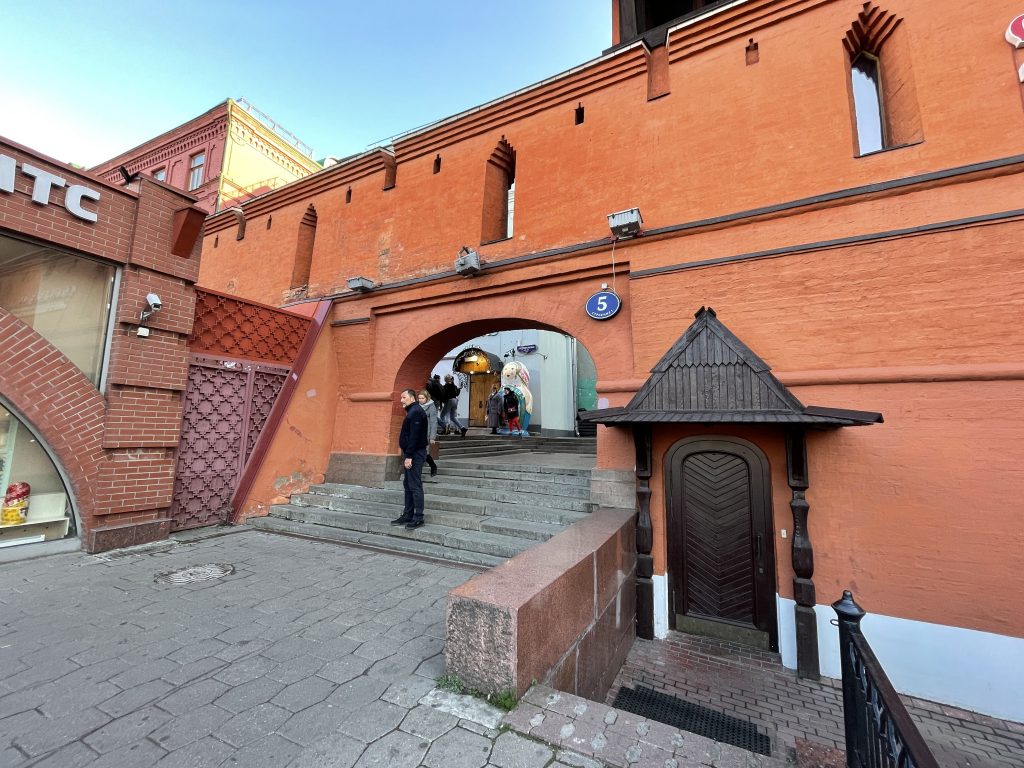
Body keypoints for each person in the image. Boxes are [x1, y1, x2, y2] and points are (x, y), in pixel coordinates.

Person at [391, 388, 428, 529]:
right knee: (408, 485)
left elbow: (414, 436)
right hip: (412, 453)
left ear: (412, 398)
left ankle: (418, 517)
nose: (401, 400)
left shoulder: (416, 412)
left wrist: (409, 456)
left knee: (414, 485)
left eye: (404, 397)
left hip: (415, 454)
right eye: (401, 398)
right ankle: (408, 514)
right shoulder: (413, 411)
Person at [418, 390, 439, 477]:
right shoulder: (417, 406)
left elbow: (434, 422)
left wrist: (432, 437)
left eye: (422, 398)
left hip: (426, 433)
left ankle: (433, 466)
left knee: (424, 452)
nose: (420, 400)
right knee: (418, 452)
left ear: (427, 398)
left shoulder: (431, 406)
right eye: (419, 398)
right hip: (417, 432)